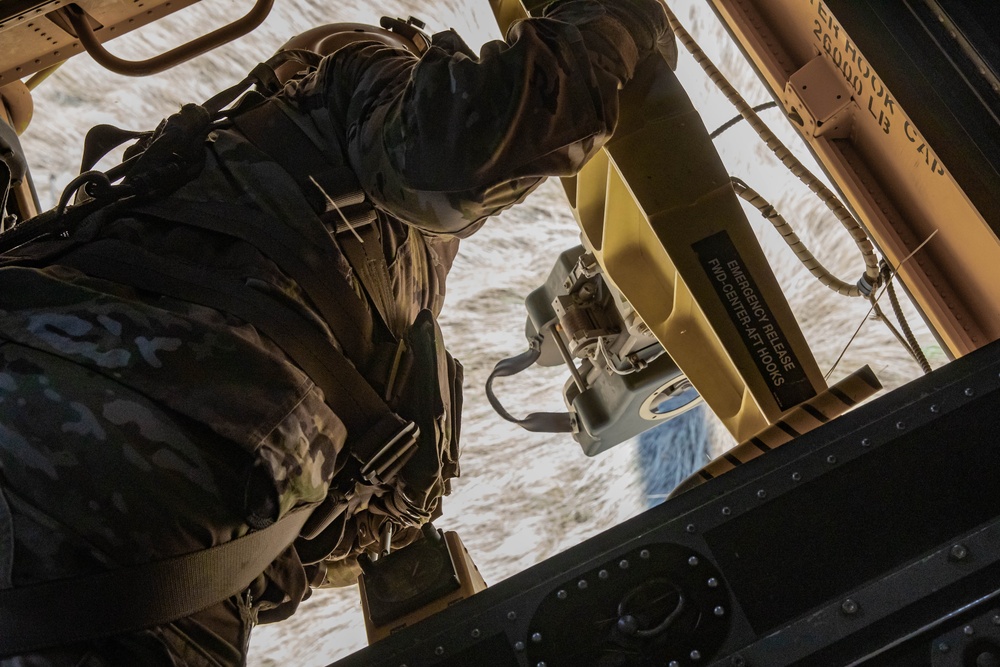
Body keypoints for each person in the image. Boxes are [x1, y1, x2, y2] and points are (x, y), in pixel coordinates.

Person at [0, 0, 676, 664]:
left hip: (114, 500)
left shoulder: (160, 217)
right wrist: (620, 21)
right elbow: (453, 152)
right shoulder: (346, 81)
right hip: (148, 542)